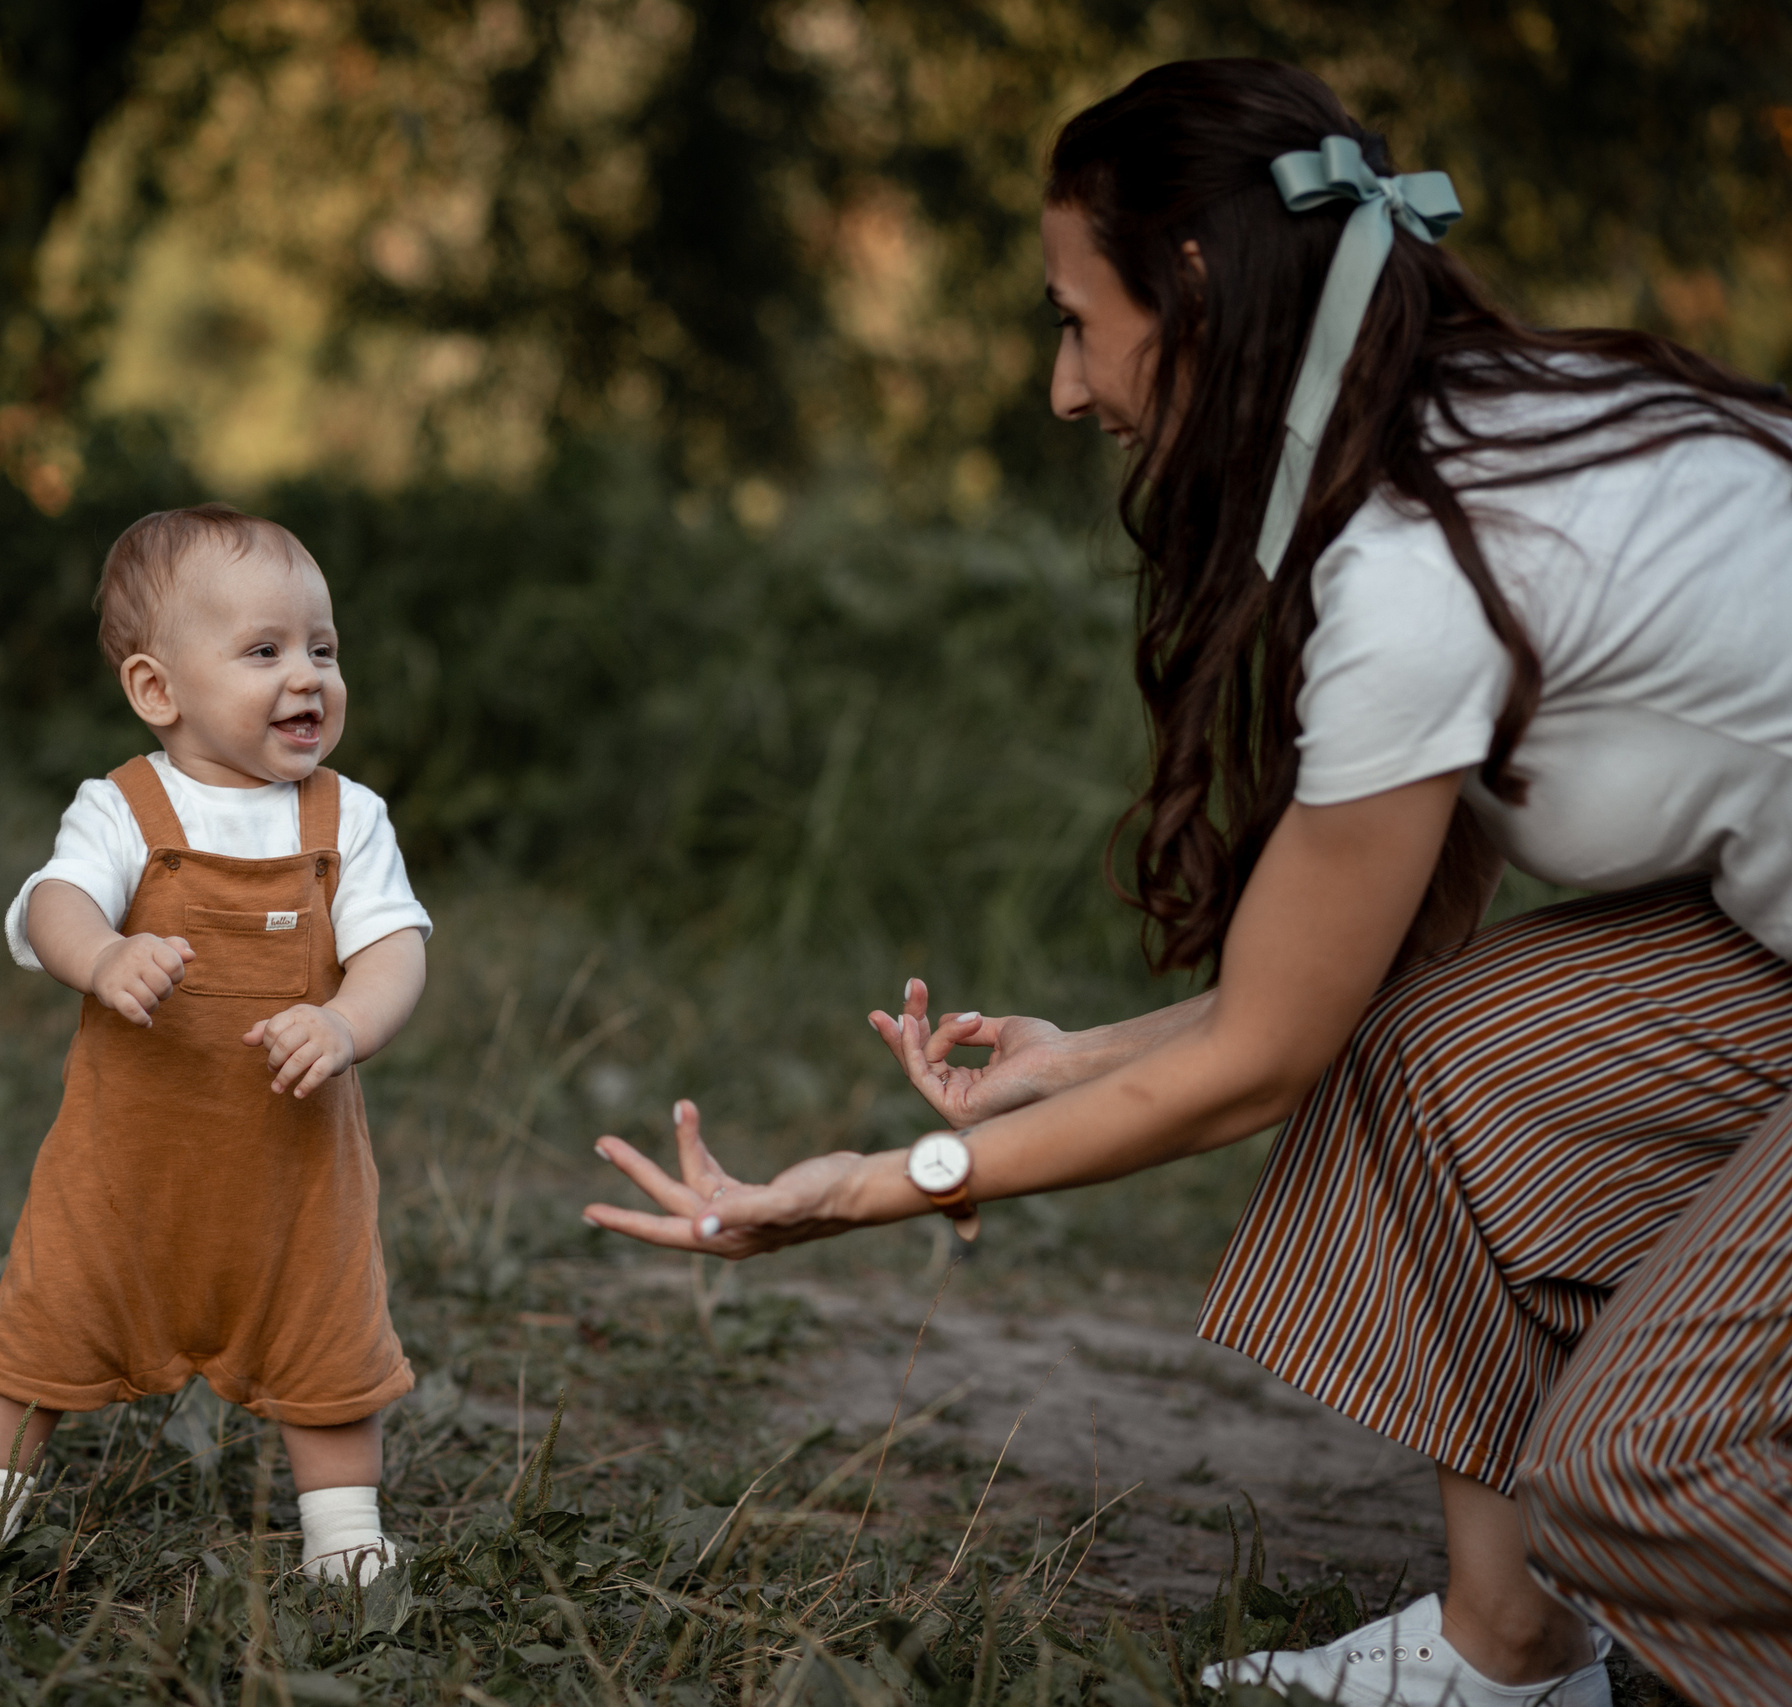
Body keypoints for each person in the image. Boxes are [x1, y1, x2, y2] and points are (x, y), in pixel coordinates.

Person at [585, 59, 1792, 1707]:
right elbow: (1317, 1001)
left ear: (1201, 293)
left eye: (1078, 320)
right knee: (1442, 1053)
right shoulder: (1481, 429)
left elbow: (1254, 1068)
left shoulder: (1423, 570)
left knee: (1645, 1465)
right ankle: (1510, 1649)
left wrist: (878, 1180)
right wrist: (1073, 1062)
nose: (1065, 387)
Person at [0, 504, 432, 1582]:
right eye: (264, 651)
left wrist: (345, 1021)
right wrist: (103, 958)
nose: (305, 676)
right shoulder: (122, 807)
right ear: (157, 690)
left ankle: (345, 1535)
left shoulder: (346, 819)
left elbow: (397, 950)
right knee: (46, 1320)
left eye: (322, 648)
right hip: (125, 1167)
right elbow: (53, 904)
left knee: (328, 1339)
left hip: (293, 1174)